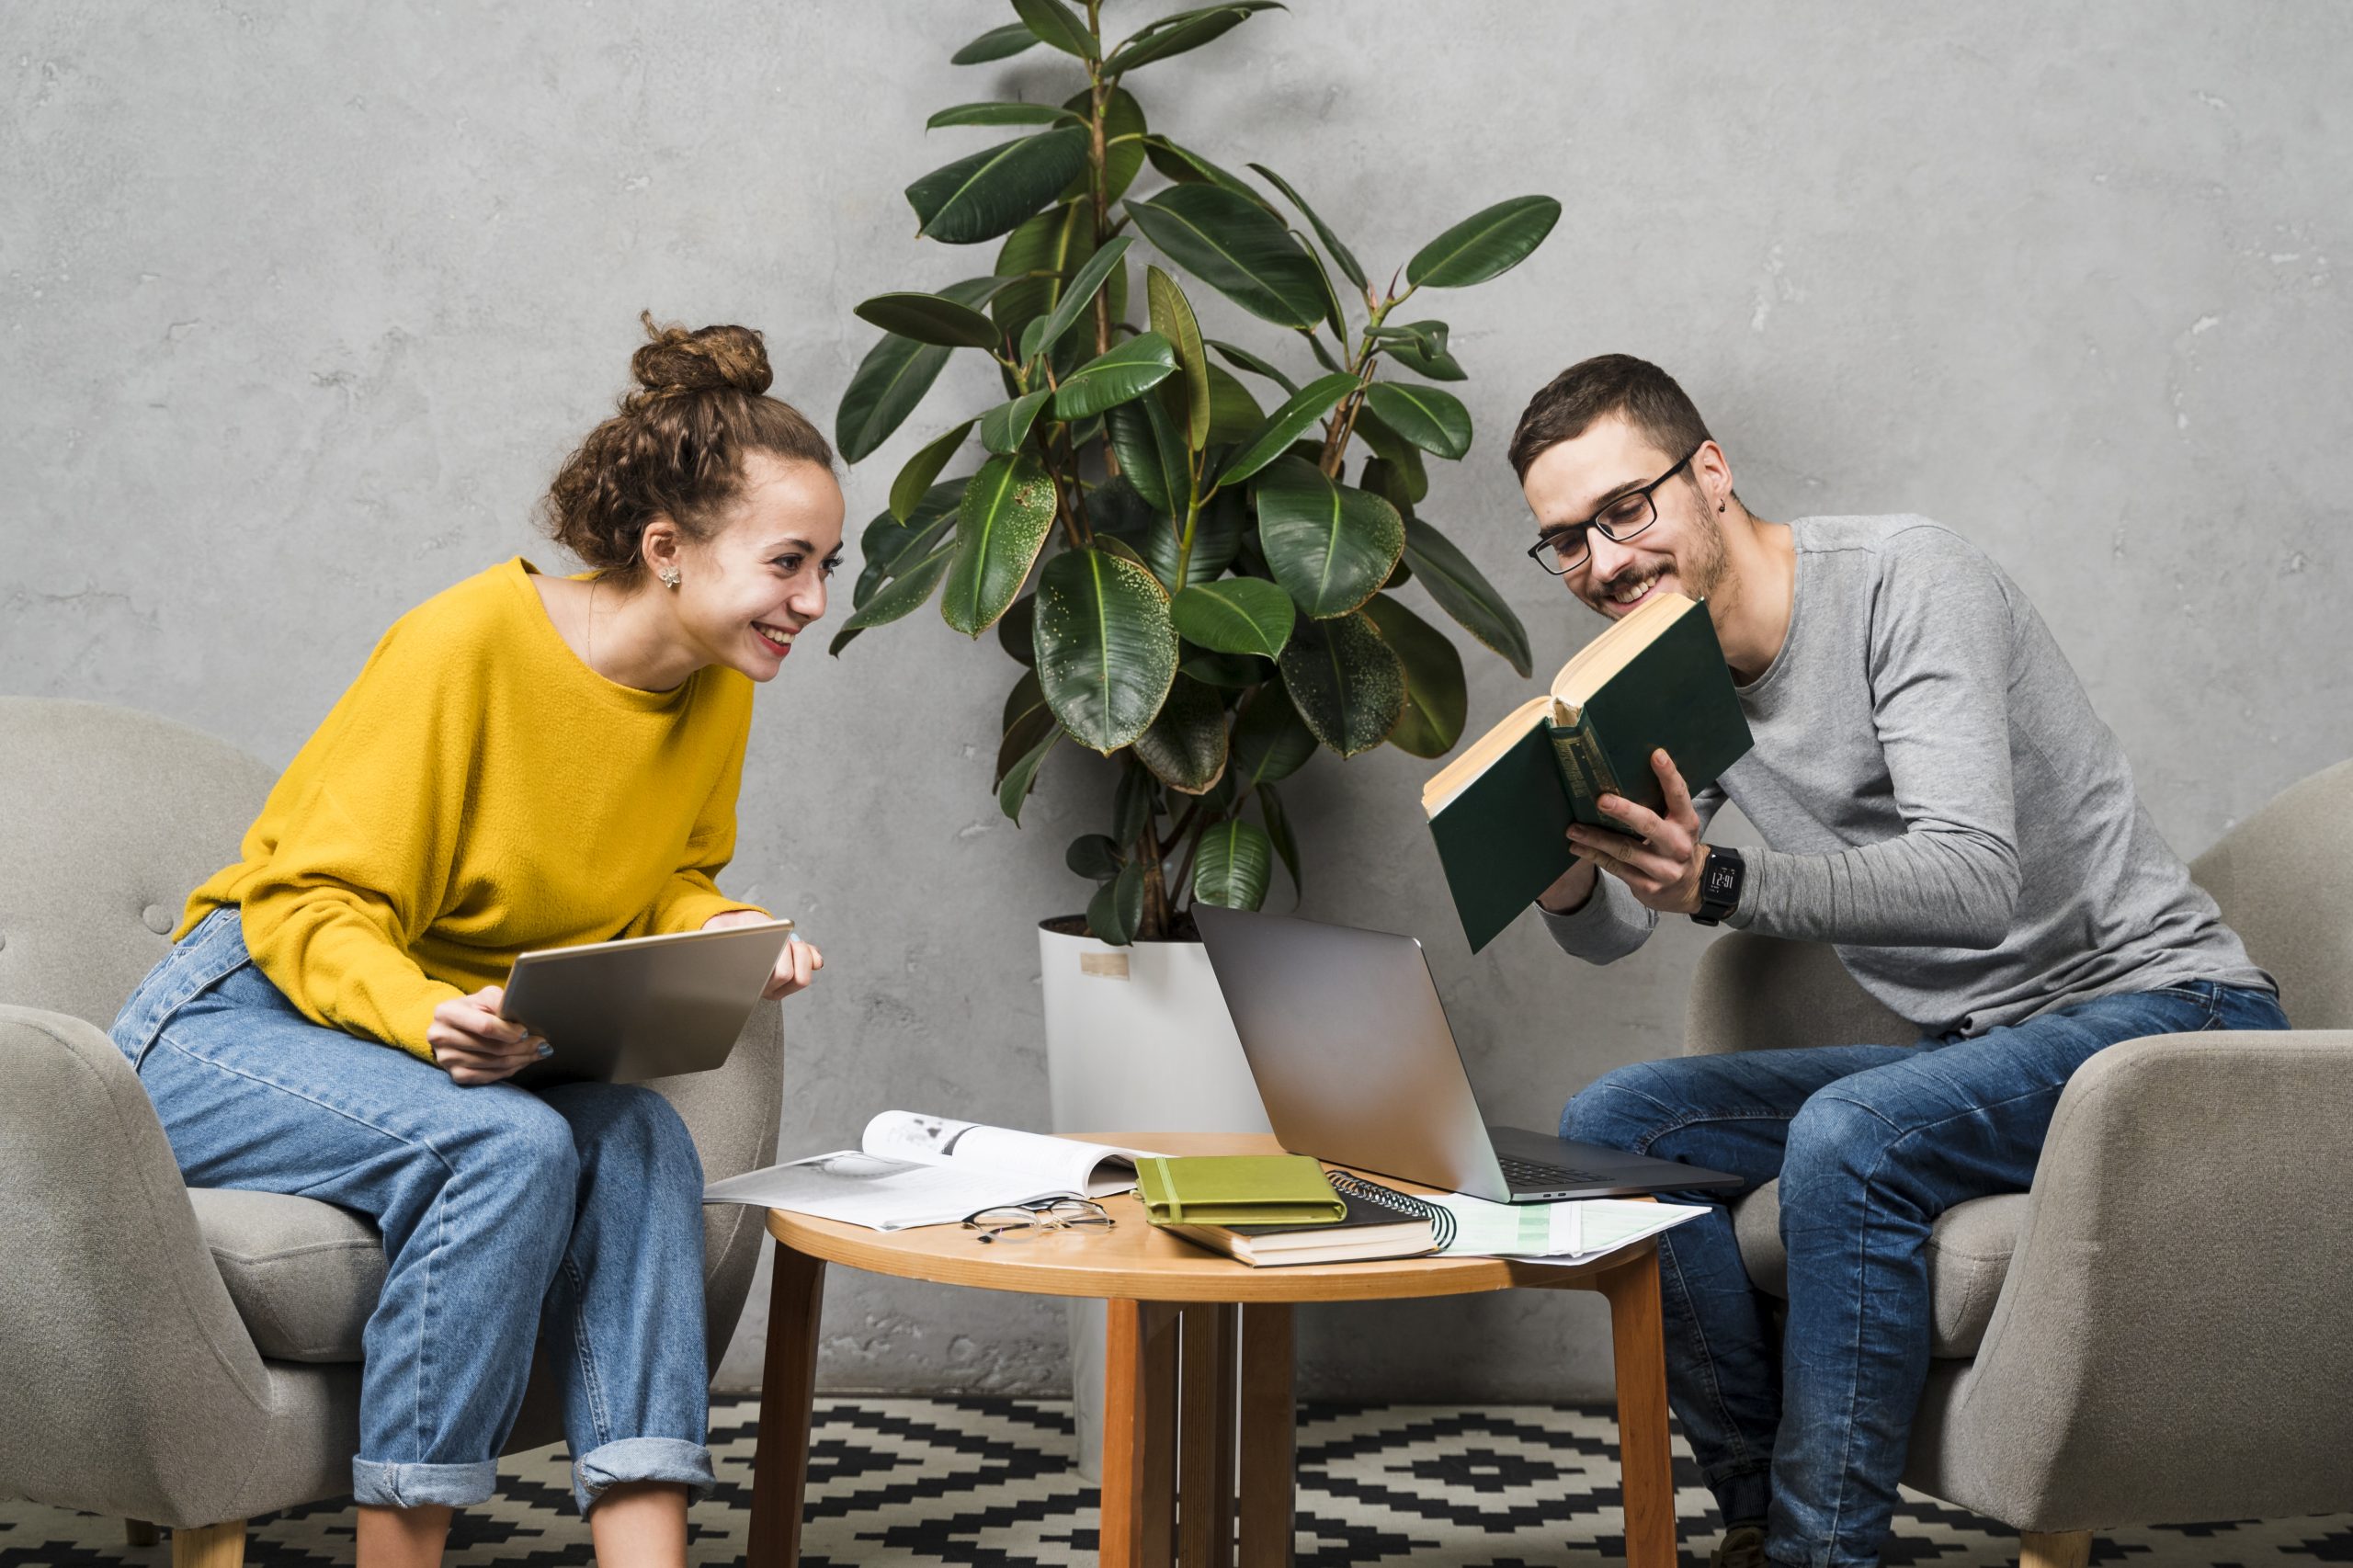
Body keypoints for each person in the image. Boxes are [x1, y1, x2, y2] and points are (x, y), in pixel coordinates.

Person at [1509, 355, 2283, 1568]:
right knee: (1617, 1126)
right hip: (1986, 1045)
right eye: (1566, 541)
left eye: (1624, 511)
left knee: (1848, 1136)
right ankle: (1764, 1516)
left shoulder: (1909, 579)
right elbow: (1619, 923)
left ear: (1710, 472)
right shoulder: (1674, 665)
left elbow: (1970, 877)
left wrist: (1718, 881)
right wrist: (1560, 867)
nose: (1603, 562)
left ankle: (1832, 1549)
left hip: (2165, 1012)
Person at [107, 314, 840, 1568]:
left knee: (648, 1148)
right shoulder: (465, 644)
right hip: (230, 1024)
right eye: (789, 563)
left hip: (444, 1037)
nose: (813, 603)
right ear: (667, 547)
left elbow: (665, 868)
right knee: (505, 1147)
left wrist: (715, 921)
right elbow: (303, 906)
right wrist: (417, 1015)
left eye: (828, 564)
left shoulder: (717, 680)